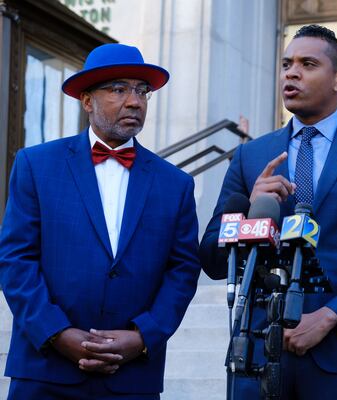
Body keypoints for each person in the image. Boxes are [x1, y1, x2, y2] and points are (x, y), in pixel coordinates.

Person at [200, 24, 337, 399]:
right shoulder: (251, 156)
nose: (292, 72)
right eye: (286, 64)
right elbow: (213, 261)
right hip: (254, 353)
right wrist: (252, 211)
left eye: (307, 63)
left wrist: (330, 317)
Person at [0, 43, 202, 399]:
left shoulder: (177, 184)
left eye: (142, 91)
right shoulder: (36, 165)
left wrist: (142, 337)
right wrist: (58, 334)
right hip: (45, 370)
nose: (135, 101)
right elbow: (16, 259)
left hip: (132, 377)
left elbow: (183, 271)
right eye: (119, 89)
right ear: (87, 101)